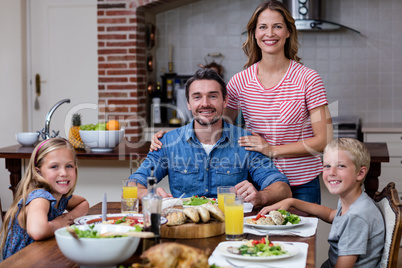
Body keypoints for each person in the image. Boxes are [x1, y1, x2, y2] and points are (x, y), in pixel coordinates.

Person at [151, 1, 332, 204]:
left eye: (277, 26)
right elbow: (215, 125)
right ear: (254, 33)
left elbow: (323, 140)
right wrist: (170, 139)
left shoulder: (308, 78)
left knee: (301, 236)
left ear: (288, 32)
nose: (269, 33)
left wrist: (272, 150)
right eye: (263, 27)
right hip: (256, 183)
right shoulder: (240, 81)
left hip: (301, 183)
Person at [130, 68, 291, 206]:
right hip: (184, 228)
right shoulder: (168, 143)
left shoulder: (246, 141)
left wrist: (261, 196)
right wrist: (149, 196)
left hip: (231, 228)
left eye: (213, 96)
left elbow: (283, 189)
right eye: (197, 97)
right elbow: (131, 186)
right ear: (188, 103)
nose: (205, 103)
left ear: (225, 101)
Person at [259, 138, 385, 268]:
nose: (332, 172)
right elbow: (331, 214)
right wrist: (292, 202)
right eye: (327, 166)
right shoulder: (354, 203)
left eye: (341, 166)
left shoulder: (357, 217)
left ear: (360, 173)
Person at [0, 138, 89, 261]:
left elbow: (83, 203)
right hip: (21, 263)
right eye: (54, 166)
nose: (63, 173)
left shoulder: (60, 197)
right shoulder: (39, 197)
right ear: (39, 172)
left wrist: (68, 218)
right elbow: (38, 231)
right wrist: (59, 224)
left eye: (69, 166)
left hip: (42, 258)